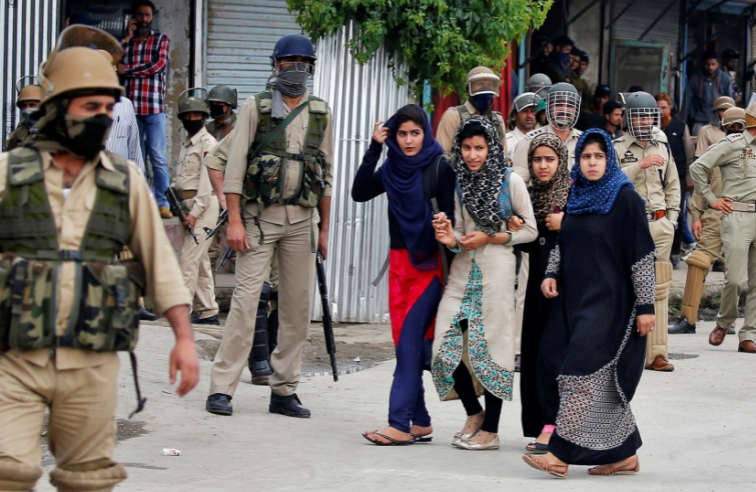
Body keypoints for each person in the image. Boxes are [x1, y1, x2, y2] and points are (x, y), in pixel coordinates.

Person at [0, 26, 198, 492]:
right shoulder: (9, 174)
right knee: (8, 473)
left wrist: (184, 339)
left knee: (88, 479)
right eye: (90, 107)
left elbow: (159, 266)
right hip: (14, 360)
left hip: (91, 361)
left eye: (109, 108)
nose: (103, 119)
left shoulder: (125, 182)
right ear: (57, 108)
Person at [207, 34, 333, 417]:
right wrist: (233, 221)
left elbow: (326, 176)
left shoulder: (321, 112)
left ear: (311, 67)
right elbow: (233, 168)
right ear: (275, 65)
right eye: (287, 61)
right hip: (258, 219)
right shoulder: (255, 107)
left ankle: (284, 390)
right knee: (246, 302)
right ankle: (222, 388)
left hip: (302, 222)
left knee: (297, 309)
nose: (295, 68)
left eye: (302, 62)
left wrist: (324, 230)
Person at [522, 129, 655, 478]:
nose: (592, 163)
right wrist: (551, 273)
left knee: (578, 370)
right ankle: (624, 455)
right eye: (585, 156)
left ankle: (559, 455)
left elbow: (643, 255)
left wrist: (646, 306)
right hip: (574, 299)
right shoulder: (577, 194)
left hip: (611, 303)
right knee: (555, 361)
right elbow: (563, 242)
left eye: (598, 156)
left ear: (609, 159)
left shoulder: (625, 198)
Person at [352, 105, 455, 445]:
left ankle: (398, 422)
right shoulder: (392, 167)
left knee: (410, 340)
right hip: (398, 266)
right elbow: (359, 192)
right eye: (402, 134)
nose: (409, 141)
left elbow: (453, 224)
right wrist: (374, 147)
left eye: (415, 133)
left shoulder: (440, 168)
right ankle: (420, 421)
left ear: (426, 133)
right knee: (403, 344)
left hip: (429, 268)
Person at [432, 116, 536, 450]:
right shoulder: (461, 183)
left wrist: (491, 237)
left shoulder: (510, 181)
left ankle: (491, 430)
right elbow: (461, 235)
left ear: (491, 147)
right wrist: (449, 238)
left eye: (479, 147)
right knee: (442, 347)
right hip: (462, 271)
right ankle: (474, 413)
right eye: (466, 148)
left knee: (493, 348)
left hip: (498, 271)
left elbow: (530, 230)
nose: (472, 155)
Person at [614, 91, 680, 372]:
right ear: (628, 118)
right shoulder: (616, 147)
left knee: (659, 288)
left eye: (649, 116)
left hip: (660, 223)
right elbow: (610, 181)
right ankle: (624, 352)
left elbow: (673, 183)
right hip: (630, 225)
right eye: (638, 116)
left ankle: (657, 353)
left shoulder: (662, 144)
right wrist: (639, 165)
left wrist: (672, 220)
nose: (644, 121)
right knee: (628, 287)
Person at [689, 93, 756, 354]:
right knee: (736, 279)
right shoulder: (733, 143)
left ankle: (749, 334)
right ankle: (724, 321)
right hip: (737, 215)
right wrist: (712, 199)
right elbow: (698, 168)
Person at [670, 107, 745, 335]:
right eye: (731, 127)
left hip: (742, 218)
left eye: (740, 126)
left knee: (735, 272)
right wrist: (696, 217)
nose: (735, 130)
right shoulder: (715, 152)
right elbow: (701, 186)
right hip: (714, 217)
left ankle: (727, 322)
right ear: (723, 128)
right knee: (698, 263)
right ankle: (688, 319)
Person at [518, 133, 570, 454]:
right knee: (534, 355)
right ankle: (541, 424)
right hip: (536, 287)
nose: (543, 165)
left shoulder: (573, 195)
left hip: (564, 290)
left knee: (555, 357)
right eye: (537, 159)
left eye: (550, 159)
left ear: (561, 162)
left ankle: (557, 426)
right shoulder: (529, 195)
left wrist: (567, 224)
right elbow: (528, 244)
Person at [118, 0, 172, 217]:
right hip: (132, 110)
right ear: (133, 17)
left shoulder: (161, 40)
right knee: (135, 158)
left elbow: (158, 66)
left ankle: (163, 204)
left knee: (158, 158)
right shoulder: (126, 44)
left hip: (154, 109)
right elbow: (112, 60)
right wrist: (126, 38)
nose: (143, 19)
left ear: (152, 17)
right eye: (139, 15)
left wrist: (128, 70)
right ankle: (142, 202)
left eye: (147, 15)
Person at [173, 88, 221, 325]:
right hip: (188, 206)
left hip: (202, 207)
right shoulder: (187, 144)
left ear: (204, 117)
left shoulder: (207, 143)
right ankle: (209, 311)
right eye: (188, 116)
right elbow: (181, 178)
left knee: (188, 262)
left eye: (197, 115)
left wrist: (193, 214)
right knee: (199, 262)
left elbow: (206, 184)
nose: (192, 119)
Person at [512, 82, 584, 181]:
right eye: (559, 104)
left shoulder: (584, 141)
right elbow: (518, 181)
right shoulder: (530, 140)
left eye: (570, 106)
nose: (564, 110)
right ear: (549, 107)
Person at [656, 93, 695, 267]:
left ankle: (675, 252)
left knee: (676, 214)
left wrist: (689, 177)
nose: (661, 112)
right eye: (657, 108)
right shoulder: (651, 128)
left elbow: (688, 153)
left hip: (678, 175)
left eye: (664, 108)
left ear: (669, 108)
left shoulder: (680, 126)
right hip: (656, 176)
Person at [436, 67, 507, 155]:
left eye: (489, 84)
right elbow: (443, 155)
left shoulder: (497, 120)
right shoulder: (453, 116)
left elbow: (503, 155)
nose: (485, 88)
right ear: (468, 90)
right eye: (480, 84)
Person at [683, 51, 734, 136]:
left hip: (719, 122)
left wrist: (731, 121)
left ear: (717, 64)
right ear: (703, 64)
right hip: (699, 122)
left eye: (713, 64)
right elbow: (686, 102)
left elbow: (729, 102)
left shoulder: (725, 79)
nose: (710, 67)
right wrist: (682, 124)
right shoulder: (694, 79)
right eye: (707, 64)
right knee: (698, 143)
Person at [106, 95, 144, 174]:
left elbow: (134, 145)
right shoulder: (84, 104)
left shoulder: (126, 104)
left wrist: (138, 173)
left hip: (121, 174)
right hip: (92, 175)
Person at [3, 78, 41, 151]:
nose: (27, 109)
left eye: (32, 105)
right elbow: (7, 152)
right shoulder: (20, 131)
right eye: (24, 106)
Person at [506, 92, 539, 159]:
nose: (529, 115)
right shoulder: (506, 142)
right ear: (514, 115)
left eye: (533, 111)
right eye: (525, 111)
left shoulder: (543, 139)